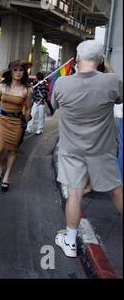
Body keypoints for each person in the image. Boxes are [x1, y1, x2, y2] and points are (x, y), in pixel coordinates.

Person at [52, 40, 122, 258]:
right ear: (100, 60)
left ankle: (70, 242)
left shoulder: (62, 84)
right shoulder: (111, 81)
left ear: (77, 58)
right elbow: (120, 96)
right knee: (116, 190)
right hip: (102, 150)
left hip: (71, 151)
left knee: (74, 194)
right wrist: (108, 67)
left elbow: (52, 107)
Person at [0, 60, 32, 192]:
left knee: (12, 150)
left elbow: (28, 108)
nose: (18, 72)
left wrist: (26, 120)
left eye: (21, 70)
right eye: (15, 70)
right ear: (11, 72)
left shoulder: (27, 90)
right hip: (3, 120)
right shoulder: (2, 87)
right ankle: (1, 168)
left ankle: (7, 175)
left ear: (24, 73)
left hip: (17, 123)